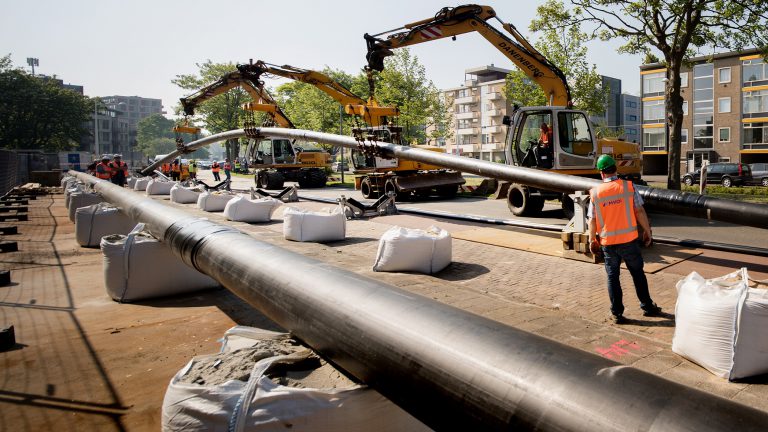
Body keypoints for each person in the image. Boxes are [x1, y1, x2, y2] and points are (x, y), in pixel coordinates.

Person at [588, 155, 662, 324]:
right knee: (637, 273)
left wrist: (592, 239)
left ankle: (617, 313)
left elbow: (591, 220)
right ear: (615, 169)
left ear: (601, 173)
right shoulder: (628, 187)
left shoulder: (596, 193)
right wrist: (647, 231)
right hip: (629, 242)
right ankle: (647, 307)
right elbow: (640, 211)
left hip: (608, 244)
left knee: (613, 277)